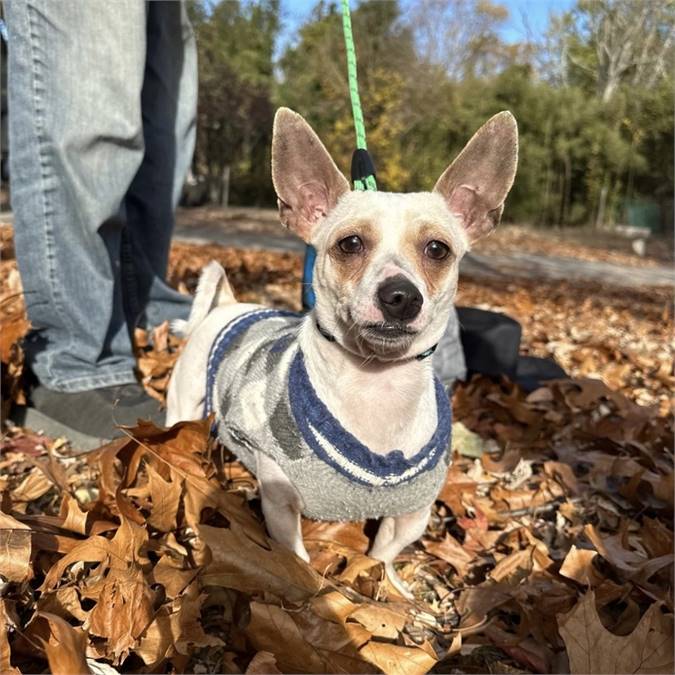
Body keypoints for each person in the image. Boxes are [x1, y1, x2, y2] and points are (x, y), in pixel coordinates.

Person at [5, 1, 197, 448]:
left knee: (164, 91)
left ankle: (147, 314)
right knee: (93, 60)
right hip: (73, 362)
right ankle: (74, 358)